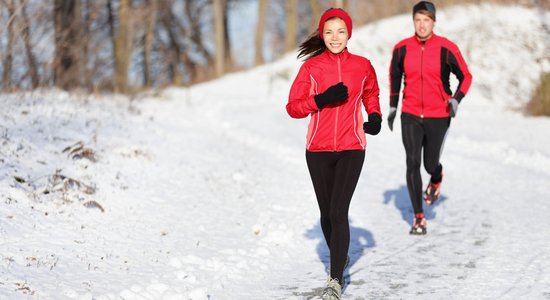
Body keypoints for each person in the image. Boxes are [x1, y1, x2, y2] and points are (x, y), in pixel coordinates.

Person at [286, 8, 381, 299]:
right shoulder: (311, 68)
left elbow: (371, 94)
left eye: (340, 31)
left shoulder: (362, 65)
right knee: (327, 215)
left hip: (352, 146)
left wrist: (374, 116)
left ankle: (335, 280)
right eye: (328, 32)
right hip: (318, 149)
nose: (335, 37)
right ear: (322, 35)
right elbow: (293, 107)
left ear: (348, 33)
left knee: (339, 212)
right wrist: (322, 99)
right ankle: (341, 256)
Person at [387, 1, 472, 235]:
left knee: (429, 163)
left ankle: (436, 177)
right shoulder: (402, 49)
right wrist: (394, 107)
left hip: (438, 115)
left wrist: (456, 100)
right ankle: (419, 217)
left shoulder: (446, 48)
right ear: (413, 21)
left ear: (434, 22)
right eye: (418, 20)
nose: (422, 25)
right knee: (412, 162)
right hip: (411, 114)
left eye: (426, 20)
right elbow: (395, 77)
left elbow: (466, 76)